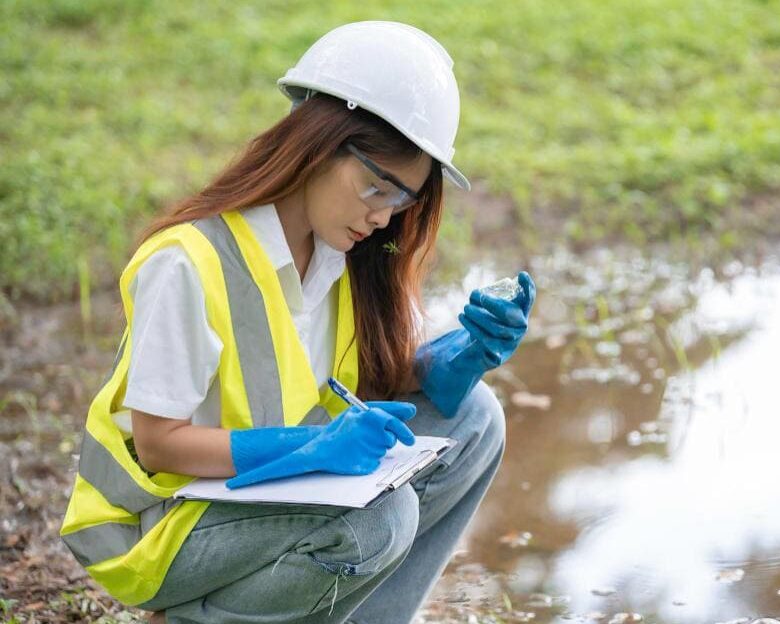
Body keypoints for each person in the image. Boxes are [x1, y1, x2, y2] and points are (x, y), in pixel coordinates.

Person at [59, 21, 536, 624]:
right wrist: (308, 445)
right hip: (162, 526)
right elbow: (158, 444)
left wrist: (455, 360)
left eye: (401, 200)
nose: (385, 218)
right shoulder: (189, 261)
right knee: (379, 524)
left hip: (268, 496)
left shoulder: (347, 255)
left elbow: (375, 385)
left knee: (476, 419)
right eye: (375, 188)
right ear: (318, 144)